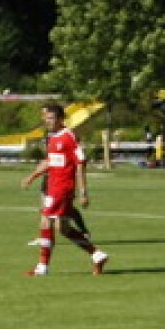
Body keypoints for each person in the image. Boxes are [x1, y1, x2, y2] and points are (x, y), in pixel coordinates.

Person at [20, 103, 108, 277]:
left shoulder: (69, 136)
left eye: (51, 118)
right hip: (55, 186)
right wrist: (31, 177)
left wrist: (83, 191)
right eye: (45, 119)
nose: (47, 121)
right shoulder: (53, 137)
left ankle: (42, 267)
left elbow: (81, 163)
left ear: (61, 119)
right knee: (63, 228)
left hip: (62, 188)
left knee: (45, 222)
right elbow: (49, 162)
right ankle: (98, 255)